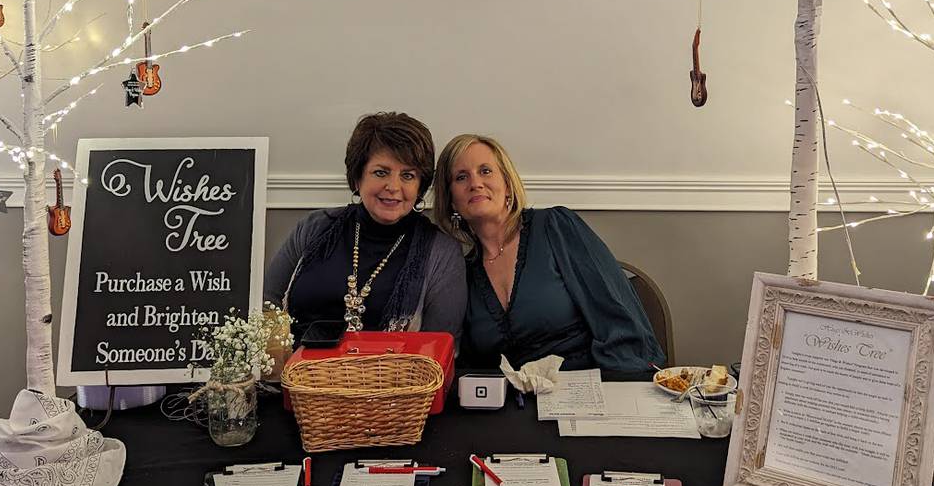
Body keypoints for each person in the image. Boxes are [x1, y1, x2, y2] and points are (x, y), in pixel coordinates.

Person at [432, 134, 665, 372]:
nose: (475, 183)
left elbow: (619, 321)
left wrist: (619, 393)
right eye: (461, 177)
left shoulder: (556, 227)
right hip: (512, 404)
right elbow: (471, 366)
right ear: (451, 200)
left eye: (486, 171)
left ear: (508, 184)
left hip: (589, 390)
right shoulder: (462, 272)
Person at [264, 113, 466, 340]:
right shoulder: (314, 228)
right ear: (358, 178)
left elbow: (439, 347)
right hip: (297, 372)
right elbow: (268, 306)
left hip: (389, 375)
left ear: (420, 187)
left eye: (408, 176)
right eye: (381, 172)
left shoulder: (441, 252)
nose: (393, 186)